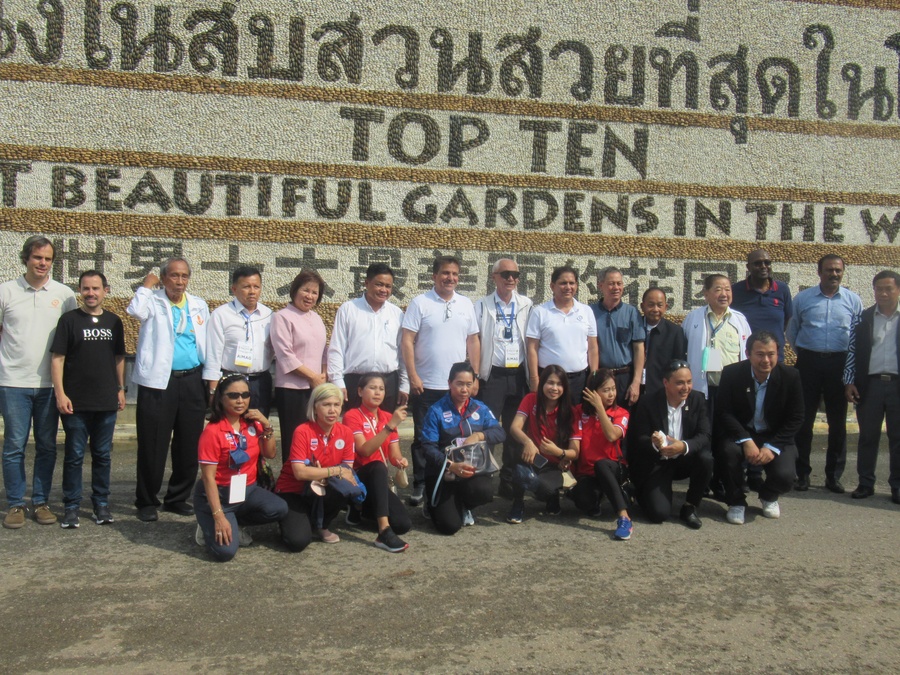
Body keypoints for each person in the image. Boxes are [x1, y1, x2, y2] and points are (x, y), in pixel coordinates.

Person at [0, 236, 77, 529]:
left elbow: (70, 339)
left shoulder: (64, 294)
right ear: (26, 259)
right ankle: (16, 504)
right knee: (15, 445)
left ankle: (41, 501)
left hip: (49, 385)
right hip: (12, 382)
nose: (42, 263)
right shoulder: (6, 291)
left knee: (46, 445)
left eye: (47, 259)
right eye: (37, 258)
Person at [127, 257, 208, 522]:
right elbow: (135, 311)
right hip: (159, 382)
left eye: (184, 276)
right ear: (163, 278)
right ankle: (147, 500)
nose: (180, 281)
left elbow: (204, 342)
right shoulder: (152, 300)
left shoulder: (198, 304)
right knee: (153, 443)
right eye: (174, 276)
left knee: (188, 443)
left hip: (192, 380)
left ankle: (176, 498)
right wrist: (146, 286)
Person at [401, 255, 480, 506]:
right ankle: (421, 483)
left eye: (455, 274)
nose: (451, 278)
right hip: (426, 385)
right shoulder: (420, 303)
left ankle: (453, 480)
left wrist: (474, 376)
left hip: (457, 389)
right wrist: (413, 375)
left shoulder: (466, 304)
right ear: (434, 276)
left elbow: (473, 341)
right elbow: (407, 340)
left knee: (456, 437)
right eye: (445, 273)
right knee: (424, 440)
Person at [50, 271, 126, 528]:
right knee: (73, 456)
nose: (91, 293)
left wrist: (120, 388)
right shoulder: (69, 320)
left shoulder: (115, 322)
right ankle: (71, 506)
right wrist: (60, 393)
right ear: (80, 291)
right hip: (76, 402)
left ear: (106, 290)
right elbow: (57, 358)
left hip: (106, 401)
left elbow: (118, 358)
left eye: (96, 288)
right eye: (86, 288)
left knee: (102, 455)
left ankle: (100, 504)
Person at [787, 254, 862, 493]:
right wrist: (809, 354)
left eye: (838, 270)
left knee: (838, 423)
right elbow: (793, 331)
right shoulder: (804, 299)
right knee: (803, 420)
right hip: (808, 362)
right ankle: (802, 474)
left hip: (839, 365)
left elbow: (857, 336)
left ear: (843, 273)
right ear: (819, 272)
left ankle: (833, 476)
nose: (834, 274)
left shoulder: (852, 300)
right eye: (829, 270)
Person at [194, 374, 288, 562]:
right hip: (219, 494)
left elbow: (270, 454)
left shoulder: (252, 423)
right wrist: (219, 516)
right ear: (221, 397)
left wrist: (267, 425)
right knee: (225, 553)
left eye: (245, 395)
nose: (240, 400)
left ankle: (235, 523)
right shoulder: (212, 431)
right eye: (233, 395)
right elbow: (208, 478)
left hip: (248, 489)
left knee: (279, 508)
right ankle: (209, 522)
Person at [715, 331, 804, 524]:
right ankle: (736, 501)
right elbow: (724, 412)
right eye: (760, 354)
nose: (766, 360)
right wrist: (746, 440)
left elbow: (796, 418)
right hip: (742, 432)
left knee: (786, 476)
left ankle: (768, 495)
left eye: (771, 354)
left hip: (774, 436)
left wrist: (772, 447)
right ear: (748, 354)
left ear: (778, 354)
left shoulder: (791, 376)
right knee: (728, 453)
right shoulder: (732, 373)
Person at [420, 362, 504, 535]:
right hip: (444, 473)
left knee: (485, 492)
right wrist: (451, 465)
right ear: (449, 383)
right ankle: (431, 502)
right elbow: (427, 447)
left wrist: (479, 436)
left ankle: (465, 504)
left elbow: (500, 433)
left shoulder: (480, 408)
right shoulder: (436, 411)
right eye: (459, 384)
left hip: (470, 471)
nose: (464, 389)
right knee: (449, 527)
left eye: (469, 384)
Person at [627, 359, 712, 529]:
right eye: (680, 383)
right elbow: (637, 438)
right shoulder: (647, 402)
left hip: (684, 458)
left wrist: (684, 446)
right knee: (658, 514)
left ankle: (690, 506)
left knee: (706, 459)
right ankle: (642, 492)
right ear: (666, 383)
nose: (686, 387)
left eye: (689, 382)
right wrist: (654, 444)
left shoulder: (697, 399)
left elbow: (704, 435)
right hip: (659, 461)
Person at [474, 258, 533, 497]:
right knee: (487, 428)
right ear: (494, 276)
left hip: (518, 375)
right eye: (505, 274)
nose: (511, 279)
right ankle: (482, 477)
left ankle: (509, 479)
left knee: (514, 429)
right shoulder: (482, 305)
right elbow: (475, 341)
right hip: (493, 376)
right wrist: (476, 374)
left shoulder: (526, 304)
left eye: (515, 275)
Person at [274, 383, 358, 549]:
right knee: (298, 542)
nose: (332, 410)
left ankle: (322, 525)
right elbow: (299, 473)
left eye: (336, 405)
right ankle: (296, 519)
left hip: (322, 488)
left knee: (346, 486)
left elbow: (347, 470)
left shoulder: (346, 432)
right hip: (294, 490)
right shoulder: (302, 431)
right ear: (315, 407)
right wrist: (333, 470)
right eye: (326, 405)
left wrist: (326, 473)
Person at [844, 270, 900, 505]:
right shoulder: (864, 318)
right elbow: (852, 351)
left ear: (898, 290)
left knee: (898, 438)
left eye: (888, 288)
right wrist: (849, 381)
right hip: (870, 385)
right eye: (879, 289)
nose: (883, 293)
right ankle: (865, 483)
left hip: (897, 386)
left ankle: (897, 486)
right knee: (868, 437)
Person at [342, 373, 411, 553]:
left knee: (403, 524)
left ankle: (361, 507)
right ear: (359, 391)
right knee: (378, 467)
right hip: (359, 475)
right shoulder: (352, 416)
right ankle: (383, 531)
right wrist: (389, 426)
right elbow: (364, 450)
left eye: (381, 389)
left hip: (379, 480)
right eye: (372, 388)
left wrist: (400, 461)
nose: (377, 392)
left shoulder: (388, 416)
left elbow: (393, 454)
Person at [328, 263, 408, 414]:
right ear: (366, 283)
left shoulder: (397, 314)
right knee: (354, 432)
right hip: (356, 382)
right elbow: (337, 348)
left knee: (385, 430)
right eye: (379, 284)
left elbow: (402, 352)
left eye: (388, 286)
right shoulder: (348, 309)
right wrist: (337, 382)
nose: (384, 290)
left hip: (388, 383)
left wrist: (405, 384)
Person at [506, 365, 578, 524]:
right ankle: (518, 503)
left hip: (554, 464)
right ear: (542, 383)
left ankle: (551, 496)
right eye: (550, 383)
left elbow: (575, 452)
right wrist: (528, 442)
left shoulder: (570, 411)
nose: (554, 388)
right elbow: (514, 427)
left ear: (565, 388)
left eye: (559, 384)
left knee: (544, 491)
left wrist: (559, 452)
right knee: (517, 457)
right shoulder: (530, 399)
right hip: (532, 457)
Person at [270, 270, 328, 464]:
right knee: (294, 438)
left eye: (315, 292)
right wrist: (312, 377)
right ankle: (290, 483)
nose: (310, 296)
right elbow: (285, 354)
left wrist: (323, 375)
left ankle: (311, 479)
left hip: (316, 388)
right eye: (306, 290)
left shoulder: (316, 318)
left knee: (313, 437)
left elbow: (324, 350)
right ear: (295, 290)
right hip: (292, 389)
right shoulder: (282, 317)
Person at [568, 369, 633, 540]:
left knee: (601, 465)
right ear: (592, 391)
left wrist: (600, 409)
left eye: (613, 389)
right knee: (582, 501)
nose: (611, 394)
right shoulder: (578, 412)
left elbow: (612, 435)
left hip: (613, 467)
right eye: (605, 390)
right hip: (587, 472)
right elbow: (575, 444)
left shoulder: (621, 413)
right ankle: (600, 496)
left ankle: (624, 517)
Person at [203, 266, 274, 417]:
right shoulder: (221, 315)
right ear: (234, 289)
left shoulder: (269, 315)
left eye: (256, 287)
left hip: (260, 382)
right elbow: (213, 354)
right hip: (231, 380)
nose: (252, 292)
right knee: (232, 429)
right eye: (246, 287)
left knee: (258, 428)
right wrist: (212, 389)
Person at [525, 265, 599, 405]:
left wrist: (593, 375)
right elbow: (532, 348)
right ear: (552, 286)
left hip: (579, 380)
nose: (568, 287)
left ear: (576, 285)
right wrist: (534, 378)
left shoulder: (586, 311)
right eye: (563, 283)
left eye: (572, 283)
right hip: (550, 380)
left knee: (575, 420)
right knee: (549, 422)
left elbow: (593, 347)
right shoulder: (540, 312)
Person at [682, 273, 752, 410]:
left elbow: (749, 352)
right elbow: (681, 349)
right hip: (702, 387)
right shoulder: (693, 318)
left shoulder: (740, 320)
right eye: (718, 289)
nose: (724, 294)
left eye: (727, 289)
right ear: (706, 294)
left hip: (732, 389)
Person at [591, 267, 645, 407]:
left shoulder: (631, 312)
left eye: (619, 283)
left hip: (624, 378)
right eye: (611, 283)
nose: (616, 287)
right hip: (600, 376)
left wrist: (636, 382)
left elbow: (639, 349)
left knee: (624, 421)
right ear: (600, 285)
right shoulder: (590, 312)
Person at [731, 249, 793, 362]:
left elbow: (787, 319)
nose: (763, 266)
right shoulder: (736, 291)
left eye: (767, 263)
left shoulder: (782, 289)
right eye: (757, 263)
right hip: (746, 357)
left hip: (774, 358)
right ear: (748, 267)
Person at [639, 288, 687, 397]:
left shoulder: (675, 332)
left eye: (659, 305)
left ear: (666, 307)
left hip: (660, 390)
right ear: (642, 306)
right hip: (634, 389)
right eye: (651, 305)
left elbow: (677, 365)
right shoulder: (634, 326)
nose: (655, 309)